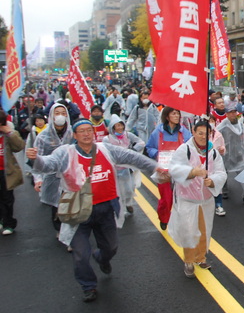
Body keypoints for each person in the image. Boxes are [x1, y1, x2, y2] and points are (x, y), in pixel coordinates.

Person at [26, 119, 165, 303]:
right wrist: (35, 159)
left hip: (106, 209)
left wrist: (156, 167)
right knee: (81, 255)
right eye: (81, 131)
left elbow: (133, 158)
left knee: (111, 247)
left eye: (89, 130)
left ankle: (102, 258)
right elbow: (47, 165)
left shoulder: (106, 149)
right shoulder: (65, 153)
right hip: (78, 212)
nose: (86, 134)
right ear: (74, 135)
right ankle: (88, 286)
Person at [167, 119, 227, 278]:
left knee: (204, 230)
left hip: (206, 200)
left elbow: (221, 172)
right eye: (199, 133)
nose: (202, 136)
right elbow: (174, 170)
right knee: (189, 231)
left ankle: (201, 258)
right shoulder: (184, 150)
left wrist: (212, 181)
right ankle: (188, 260)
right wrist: (192, 173)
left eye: (206, 134)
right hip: (188, 200)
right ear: (193, 132)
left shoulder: (213, 152)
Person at [146, 107, 192, 230]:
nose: (177, 116)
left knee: (182, 197)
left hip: (180, 169)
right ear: (167, 117)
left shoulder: (184, 132)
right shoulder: (158, 132)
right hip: (164, 171)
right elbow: (149, 147)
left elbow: (191, 147)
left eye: (178, 113)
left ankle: (181, 221)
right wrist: (158, 154)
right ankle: (164, 218)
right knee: (166, 198)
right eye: (174, 114)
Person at [32, 103, 75, 236]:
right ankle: (60, 230)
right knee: (57, 205)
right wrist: (38, 179)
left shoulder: (73, 132)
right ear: (51, 116)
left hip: (72, 175)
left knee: (73, 204)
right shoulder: (43, 136)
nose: (60, 116)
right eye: (57, 113)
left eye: (63, 113)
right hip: (52, 176)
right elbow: (37, 159)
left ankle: (72, 233)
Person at [102, 115, 145, 214]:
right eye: (117, 126)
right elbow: (106, 151)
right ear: (113, 127)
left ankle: (129, 203)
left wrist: (133, 150)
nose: (119, 128)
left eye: (121, 125)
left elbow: (141, 142)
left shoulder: (128, 135)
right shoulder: (107, 139)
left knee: (130, 186)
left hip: (129, 166)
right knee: (118, 188)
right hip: (116, 167)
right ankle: (119, 206)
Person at [216, 107, 244, 203]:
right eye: (231, 112)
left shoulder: (239, 123)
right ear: (227, 114)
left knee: (241, 170)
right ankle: (224, 190)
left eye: (234, 112)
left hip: (237, 151)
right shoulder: (223, 125)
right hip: (225, 152)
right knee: (224, 172)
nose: (233, 114)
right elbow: (216, 135)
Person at [0, 110, 26, 235]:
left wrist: (9, 133)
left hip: (6, 171)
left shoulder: (8, 133)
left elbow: (19, 146)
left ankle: (8, 223)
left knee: (7, 198)